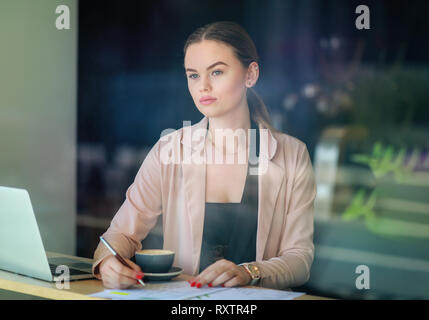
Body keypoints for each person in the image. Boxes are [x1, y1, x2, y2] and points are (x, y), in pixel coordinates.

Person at [92, 21, 317, 291]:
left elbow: (300, 260)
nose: (204, 87)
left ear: (251, 74)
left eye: (217, 72)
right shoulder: (169, 150)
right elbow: (120, 234)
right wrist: (107, 263)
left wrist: (249, 272)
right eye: (194, 75)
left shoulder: (292, 154)